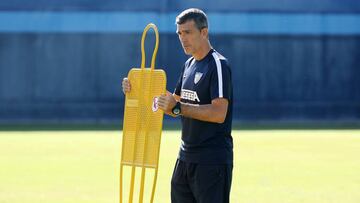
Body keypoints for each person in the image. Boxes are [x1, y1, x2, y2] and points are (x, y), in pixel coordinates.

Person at [122, 8, 233, 203]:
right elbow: (171, 104)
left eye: (188, 32)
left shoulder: (218, 65)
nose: (183, 38)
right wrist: (136, 90)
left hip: (211, 161)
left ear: (204, 32)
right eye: (180, 33)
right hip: (184, 158)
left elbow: (219, 113)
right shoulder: (188, 65)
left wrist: (178, 108)